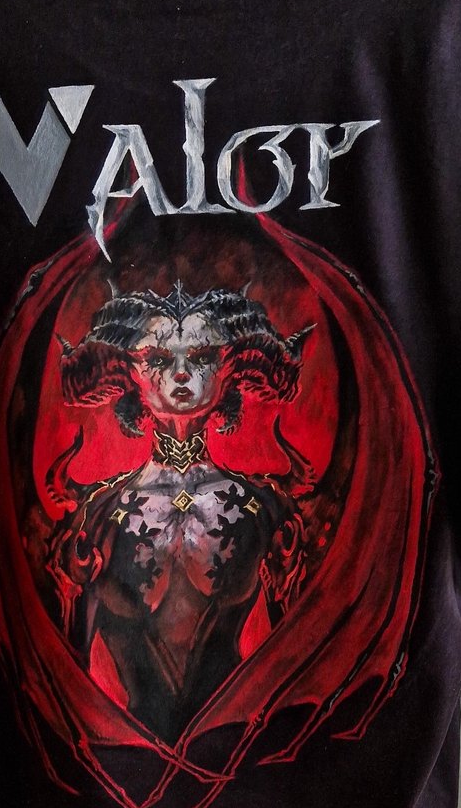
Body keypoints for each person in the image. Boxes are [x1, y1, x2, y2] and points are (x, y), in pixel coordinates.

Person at [45, 278, 315, 743]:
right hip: (122, 762)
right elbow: (68, 676)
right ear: (129, 372)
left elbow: (294, 660)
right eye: (158, 359)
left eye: (202, 356)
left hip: (239, 754)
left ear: (229, 368)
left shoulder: (264, 510)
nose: (183, 373)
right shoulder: (95, 516)